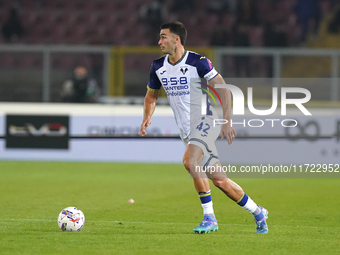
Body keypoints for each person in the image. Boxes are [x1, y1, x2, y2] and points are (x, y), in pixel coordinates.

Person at [140, 21, 269, 234]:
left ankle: (209, 218)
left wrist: (227, 120)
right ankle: (258, 212)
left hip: (205, 122)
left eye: (163, 37)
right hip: (187, 130)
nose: (159, 41)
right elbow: (151, 96)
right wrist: (147, 117)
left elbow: (224, 90)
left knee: (190, 161)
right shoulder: (158, 66)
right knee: (221, 182)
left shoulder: (198, 61)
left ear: (176, 39)